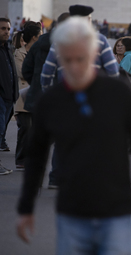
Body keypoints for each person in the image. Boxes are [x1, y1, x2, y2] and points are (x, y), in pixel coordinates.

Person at [16, 17, 131, 254]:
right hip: (72, 212)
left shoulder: (119, 92)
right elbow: (36, 156)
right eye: (67, 60)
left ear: (94, 54)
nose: (73, 67)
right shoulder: (51, 101)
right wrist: (25, 208)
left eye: (80, 59)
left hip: (116, 210)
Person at [22, 13, 70, 189]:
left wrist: (35, 84)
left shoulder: (40, 42)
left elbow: (27, 68)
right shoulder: (68, 43)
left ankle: (32, 178)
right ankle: (55, 178)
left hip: (39, 97)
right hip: (61, 97)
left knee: (40, 140)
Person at [40, 5, 120, 91]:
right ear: (88, 20)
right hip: (95, 94)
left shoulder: (59, 40)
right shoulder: (100, 40)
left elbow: (47, 71)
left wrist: (49, 93)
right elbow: (113, 71)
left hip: (65, 93)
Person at [13, 22, 42, 169]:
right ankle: (21, 159)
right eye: (40, 35)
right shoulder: (20, 53)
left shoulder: (41, 53)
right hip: (24, 94)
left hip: (38, 94)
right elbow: (22, 73)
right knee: (25, 128)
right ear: (34, 37)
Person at [0, 18, 19, 175]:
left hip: (8, 97)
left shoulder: (7, 48)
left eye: (7, 28)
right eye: (2, 28)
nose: (6, 31)